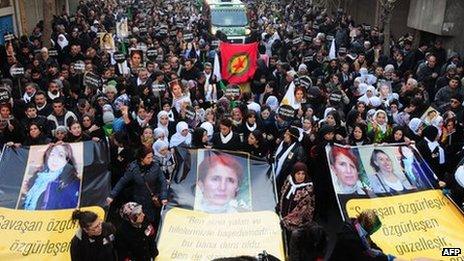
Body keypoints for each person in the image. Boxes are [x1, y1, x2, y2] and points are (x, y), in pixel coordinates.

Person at [107, 147, 168, 223]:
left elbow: (163, 181)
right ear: (141, 158)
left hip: (155, 197)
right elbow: (122, 182)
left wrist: (164, 196)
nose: (151, 159)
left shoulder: (155, 166)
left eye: (152, 157)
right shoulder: (133, 169)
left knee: (156, 217)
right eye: (148, 158)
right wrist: (111, 196)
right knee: (144, 219)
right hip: (140, 199)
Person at [20, 143, 81, 210]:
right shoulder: (37, 177)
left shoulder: (71, 181)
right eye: (52, 155)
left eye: (60, 156)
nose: (55, 159)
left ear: (67, 160)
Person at [331, 210, 396, 260]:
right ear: (368, 228)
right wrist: (380, 256)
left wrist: (378, 252)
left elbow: (372, 245)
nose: (372, 233)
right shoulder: (351, 238)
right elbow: (364, 257)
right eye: (372, 231)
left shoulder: (357, 228)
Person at [278, 162, 315, 231]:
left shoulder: (308, 190)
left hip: (295, 226)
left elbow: (302, 211)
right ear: (294, 173)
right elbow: (282, 192)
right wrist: (279, 206)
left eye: (303, 174)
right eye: (298, 173)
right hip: (282, 216)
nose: (301, 176)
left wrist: (286, 221)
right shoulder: (289, 181)